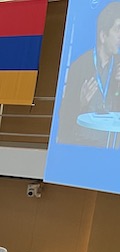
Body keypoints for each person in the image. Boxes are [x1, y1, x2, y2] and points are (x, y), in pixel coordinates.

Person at [56, 2, 120, 146]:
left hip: (111, 144)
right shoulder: (79, 66)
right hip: (83, 142)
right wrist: (80, 102)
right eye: (118, 30)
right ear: (103, 36)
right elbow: (64, 115)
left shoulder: (118, 65)